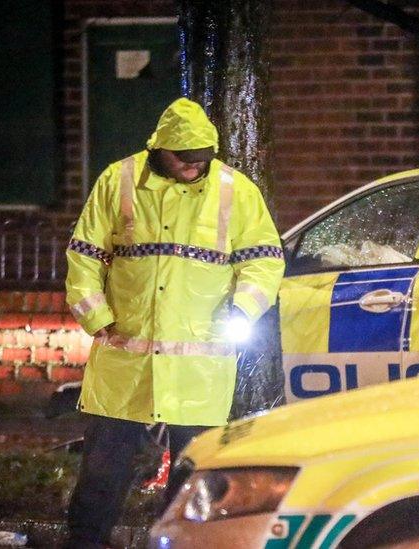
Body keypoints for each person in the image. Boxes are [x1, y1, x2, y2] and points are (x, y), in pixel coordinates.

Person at [63, 98, 284, 548]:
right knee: (103, 474)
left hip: (198, 370)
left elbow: (263, 261)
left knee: (191, 482)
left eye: (203, 157)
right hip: (126, 364)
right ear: (159, 149)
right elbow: (84, 257)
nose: (195, 166)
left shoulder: (234, 190)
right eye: (185, 157)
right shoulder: (118, 181)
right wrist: (97, 318)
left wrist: (241, 310)